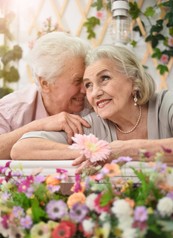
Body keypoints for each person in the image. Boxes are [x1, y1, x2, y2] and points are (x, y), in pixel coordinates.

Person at [11, 45, 173, 165]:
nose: (95, 93)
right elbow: (21, 148)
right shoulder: (92, 124)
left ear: (134, 80)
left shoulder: (166, 105)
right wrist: (94, 152)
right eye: (88, 85)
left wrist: (123, 151)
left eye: (104, 78)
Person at [0, 31, 92, 159]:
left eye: (86, 80)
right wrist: (40, 125)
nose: (85, 89)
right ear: (45, 84)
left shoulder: (94, 101)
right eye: (77, 81)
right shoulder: (12, 108)